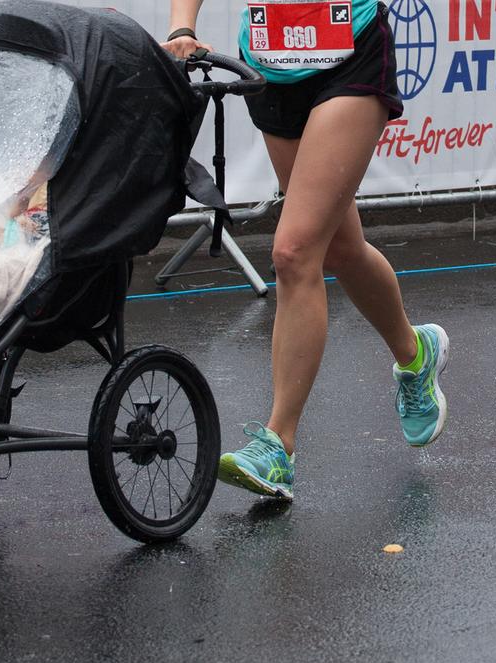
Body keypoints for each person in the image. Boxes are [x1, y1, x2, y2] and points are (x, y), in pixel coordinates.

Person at [162, 0, 449, 501]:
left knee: (294, 251)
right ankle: (414, 352)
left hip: (350, 54)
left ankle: (278, 446)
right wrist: (181, 27)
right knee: (339, 249)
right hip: (271, 61)